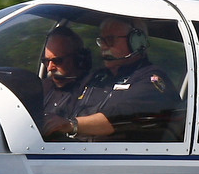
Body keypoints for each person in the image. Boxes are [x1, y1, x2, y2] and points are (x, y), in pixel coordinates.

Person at [42, 16, 178, 140]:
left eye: (110, 40)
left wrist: (71, 125)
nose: (104, 46)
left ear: (136, 42)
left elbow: (119, 117)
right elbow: (65, 101)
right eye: (101, 40)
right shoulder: (98, 78)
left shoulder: (150, 80)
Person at [40, 27, 91, 139]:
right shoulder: (41, 88)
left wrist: (69, 125)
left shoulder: (92, 90)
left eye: (57, 61)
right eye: (46, 61)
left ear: (78, 59)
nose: (50, 68)